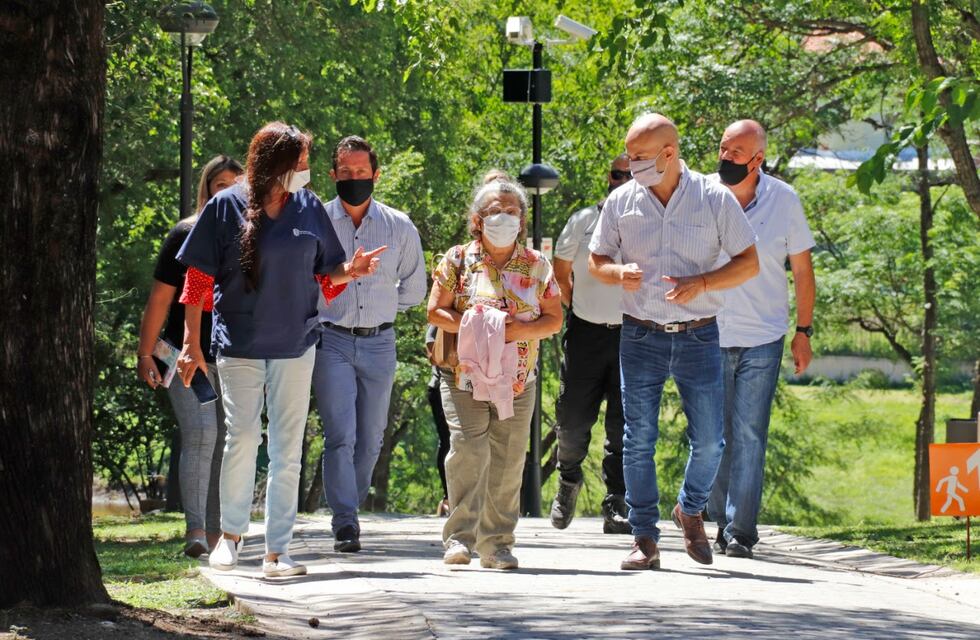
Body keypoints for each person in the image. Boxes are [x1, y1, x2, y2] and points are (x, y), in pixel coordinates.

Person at [175, 122, 384, 577]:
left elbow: (324, 278)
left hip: (295, 344)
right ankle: (230, 537)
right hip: (239, 343)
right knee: (244, 437)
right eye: (302, 164)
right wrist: (191, 343)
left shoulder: (309, 207)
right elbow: (196, 281)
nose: (308, 173)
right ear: (275, 165)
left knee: (288, 448)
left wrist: (353, 270)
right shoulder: (226, 206)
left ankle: (277, 552)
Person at [588, 113, 759, 570]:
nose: (632, 164)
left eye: (640, 157)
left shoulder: (714, 198)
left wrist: (702, 282)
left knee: (710, 443)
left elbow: (749, 263)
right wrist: (614, 272)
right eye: (630, 156)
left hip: (699, 335)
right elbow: (596, 260)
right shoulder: (622, 201)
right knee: (637, 439)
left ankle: (690, 508)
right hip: (639, 334)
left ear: (669, 153)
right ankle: (644, 537)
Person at [428, 175, 563, 570]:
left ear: (522, 220)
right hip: (464, 377)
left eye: (511, 211)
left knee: (507, 460)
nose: (502, 217)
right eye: (493, 211)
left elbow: (554, 320)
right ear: (477, 219)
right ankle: (458, 539)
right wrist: (474, 322)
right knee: (468, 450)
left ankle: (498, 544)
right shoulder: (457, 260)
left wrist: (519, 329)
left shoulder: (538, 266)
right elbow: (435, 311)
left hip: (518, 380)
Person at [706, 120, 816, 559]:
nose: (726, 157)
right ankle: (714, 516)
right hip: (707, 333)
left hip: (764, 337)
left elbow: (804, 273)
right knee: (712, 435)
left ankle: (740, 531)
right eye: (723, 148)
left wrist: (803, 332)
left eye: (736, 152)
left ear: (758, 159)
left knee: (749, 434)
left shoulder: (785, 200)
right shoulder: (702, 194)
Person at [312, 135, 427, 553]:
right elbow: (306, 284)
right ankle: (345, 522)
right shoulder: (317, 222)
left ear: (376, 175)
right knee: (340, 434)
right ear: (333, 175)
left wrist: (380, 304)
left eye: (361, 172)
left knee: (372, 437)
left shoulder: (399, 225)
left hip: (380, 342)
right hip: (333, 342)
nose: (354, 178)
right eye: (346, 172)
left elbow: (416, 289)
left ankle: (348, 505)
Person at [136, 155, 243, 557]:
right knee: (202, 436)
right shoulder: (185, 234)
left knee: (228, 442)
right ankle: (197, 532)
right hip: (183, 356)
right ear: (207, 189)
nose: (228, 190)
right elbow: (161, 299)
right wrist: (145, 353)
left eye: (236, 184)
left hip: (234, 356)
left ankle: (220, 534)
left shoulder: (252, 238)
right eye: (220, 184)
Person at [549, 153, 633, 535]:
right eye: (618, 174)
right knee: (571, 420)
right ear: (609, 176)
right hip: (585, 333)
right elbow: (560, 270)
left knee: (624, 425)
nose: (624, 180)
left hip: (632, 334)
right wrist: (575, 305)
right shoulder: (584, 219)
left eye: (633, 175)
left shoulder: (649, 223)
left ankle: (617, 500)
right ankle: (568, 479)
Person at [425, 324, 452, 516]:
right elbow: (431, 349)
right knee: (449, 442)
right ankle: (449, 496)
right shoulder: (448, 301)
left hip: (477, 388)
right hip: (442, 387)